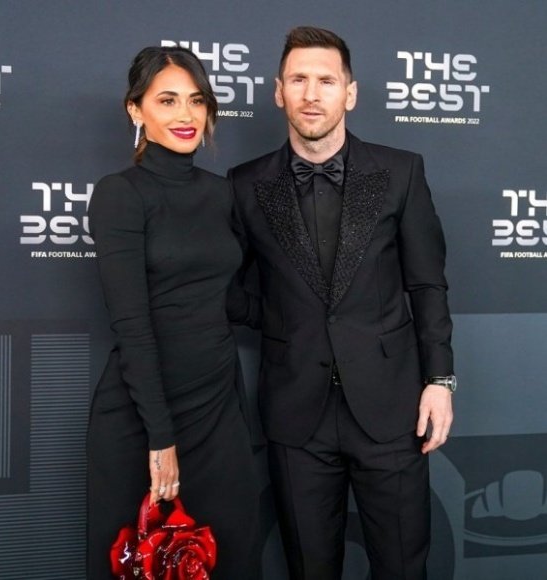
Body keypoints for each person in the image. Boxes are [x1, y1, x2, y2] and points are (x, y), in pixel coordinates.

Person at [228, 26, 455, 580]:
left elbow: (427, 284)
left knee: (404, 567)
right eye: (298, 80)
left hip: (392, 409)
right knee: (310, 568)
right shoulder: (244, 184)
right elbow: (224, 288)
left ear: (349, 93)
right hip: (294, 414)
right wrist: (281, 321)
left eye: (326, 80)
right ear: (278, 91)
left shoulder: (401, 172)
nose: (312, 93)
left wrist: (440, 381)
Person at [87, 46, 260, 580]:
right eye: (167, 100)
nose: (186, 115)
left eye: (196, 101)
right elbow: (132, 324)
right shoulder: (120, 194)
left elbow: (227, 297)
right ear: (136, 111)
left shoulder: (221, 194)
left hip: (217, 411)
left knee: (232, 558)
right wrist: (161, 440)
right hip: (144, 418)